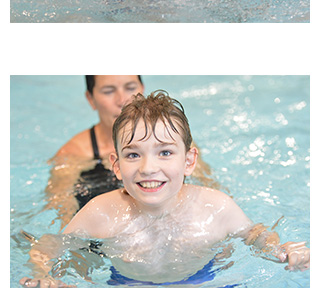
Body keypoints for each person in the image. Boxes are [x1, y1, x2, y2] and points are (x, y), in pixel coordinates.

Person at [21, 91, 309, 288]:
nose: (148, 168)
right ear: (116, 165)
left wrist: (280, 249)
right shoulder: (101, 214)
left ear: (189, 161)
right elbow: (49, 245)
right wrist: (44, 275)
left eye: (165, 153)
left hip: (207, 281)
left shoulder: (216, 208)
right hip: (126, 285)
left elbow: (255, 235)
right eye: (133, 155)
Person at [46, 76, 214, 228]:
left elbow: (207, 193)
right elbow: (62, 217)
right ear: (91, 99)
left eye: (130, 88)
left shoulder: (174, 142)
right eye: (108, 91)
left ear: (142, 89)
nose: (122, 100)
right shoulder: (72, 154)